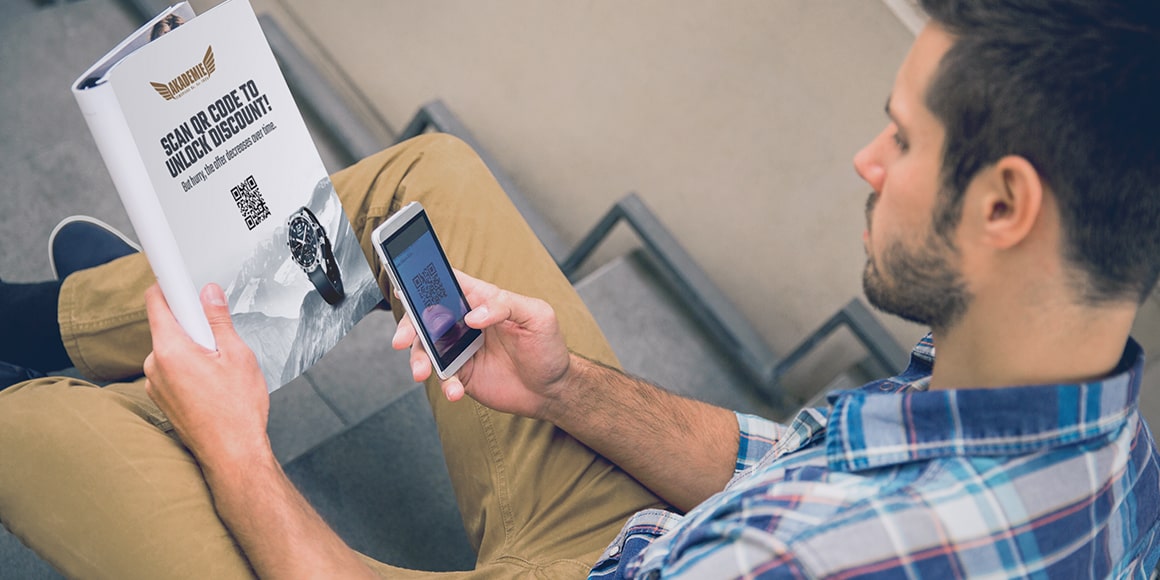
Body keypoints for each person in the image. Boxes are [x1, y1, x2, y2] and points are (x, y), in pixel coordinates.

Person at [2, 0, 1159, 577]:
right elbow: (789, 460)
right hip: (650, 549)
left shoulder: (804, 564)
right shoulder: (1097, 438)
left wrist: (239, 451)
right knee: (429, 177)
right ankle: (91, 316)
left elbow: (795, 532)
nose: (865, 164)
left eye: (900, 143)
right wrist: (566, 390)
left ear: (1003, 204)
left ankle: (100, 357)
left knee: (35, 432)